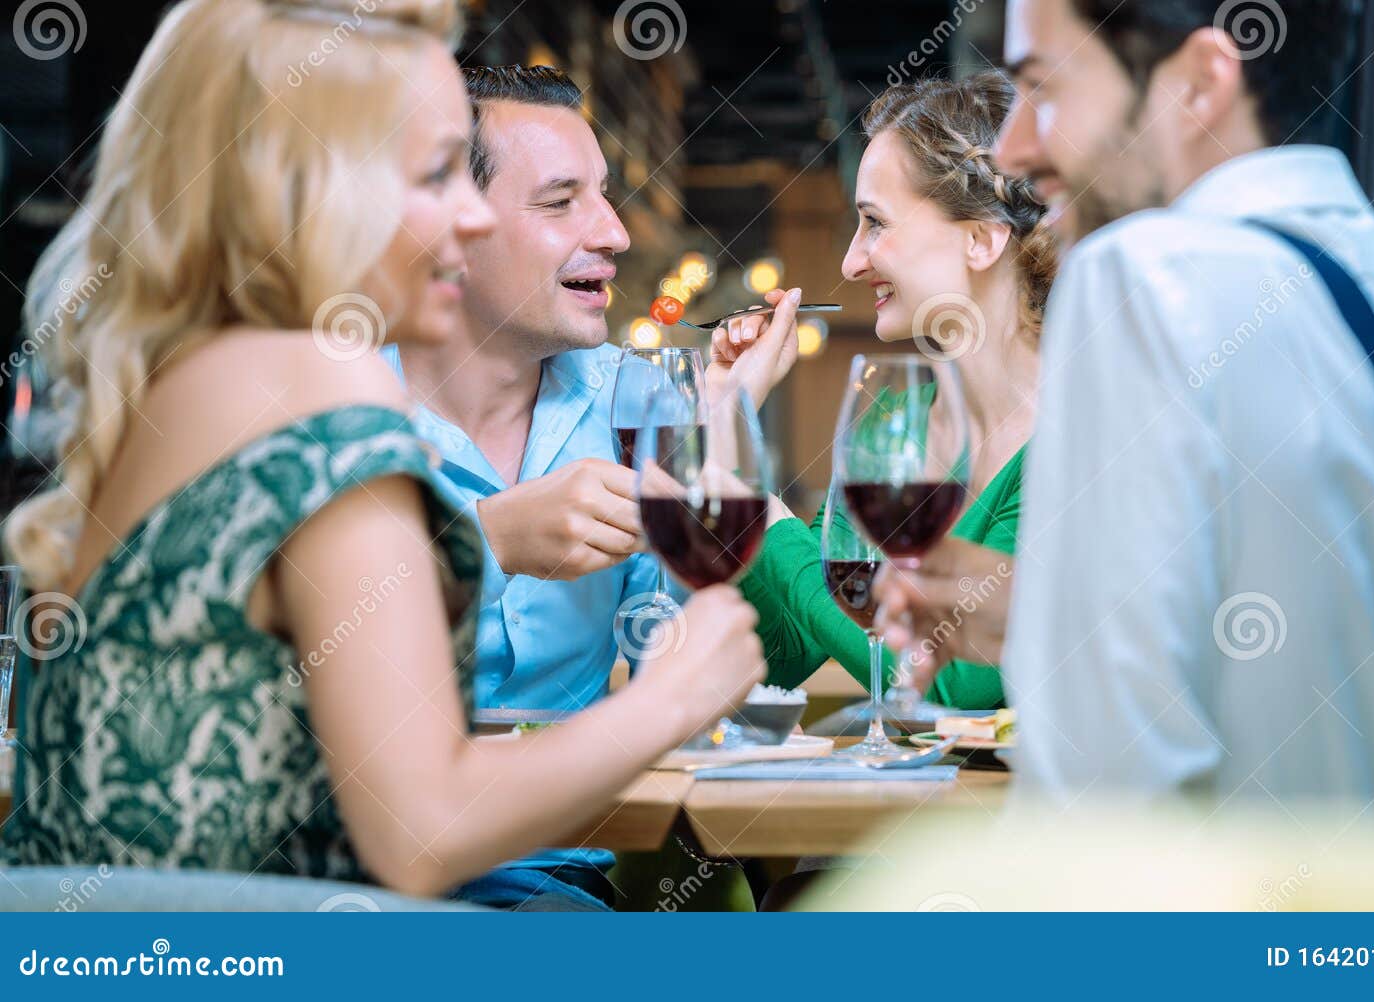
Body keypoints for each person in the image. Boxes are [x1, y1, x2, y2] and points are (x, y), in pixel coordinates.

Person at [0, 0, 764, 906]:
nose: (472, 221)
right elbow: (423, 832)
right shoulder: (327, 382)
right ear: (315, 188)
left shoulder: (172, 385)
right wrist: (673, 695)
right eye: (437, 175)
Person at [876, 0, 1374, 832]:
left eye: (1044, 88)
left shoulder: (1140, 278)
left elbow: (1108, 788)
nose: (1012, 149)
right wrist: (1045, 622)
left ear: (1205, 79)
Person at [382, 64, 697, 908]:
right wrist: (483, 544)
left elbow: (684, 687)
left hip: (542, 884)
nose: (616, 233)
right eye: (561, 203)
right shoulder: (329, 401)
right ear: (453, 226)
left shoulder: (638, 404)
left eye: (603, 195)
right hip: (332, 875)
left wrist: (719, 480)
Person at [714, 71, 1058, 711]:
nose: (850, 261)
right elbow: (784, 653)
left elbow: (959, 684)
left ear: (980, 239)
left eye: (875, 222)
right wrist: (728, 425)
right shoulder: (890, 427)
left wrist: (766, 518)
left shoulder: (1077, 437)